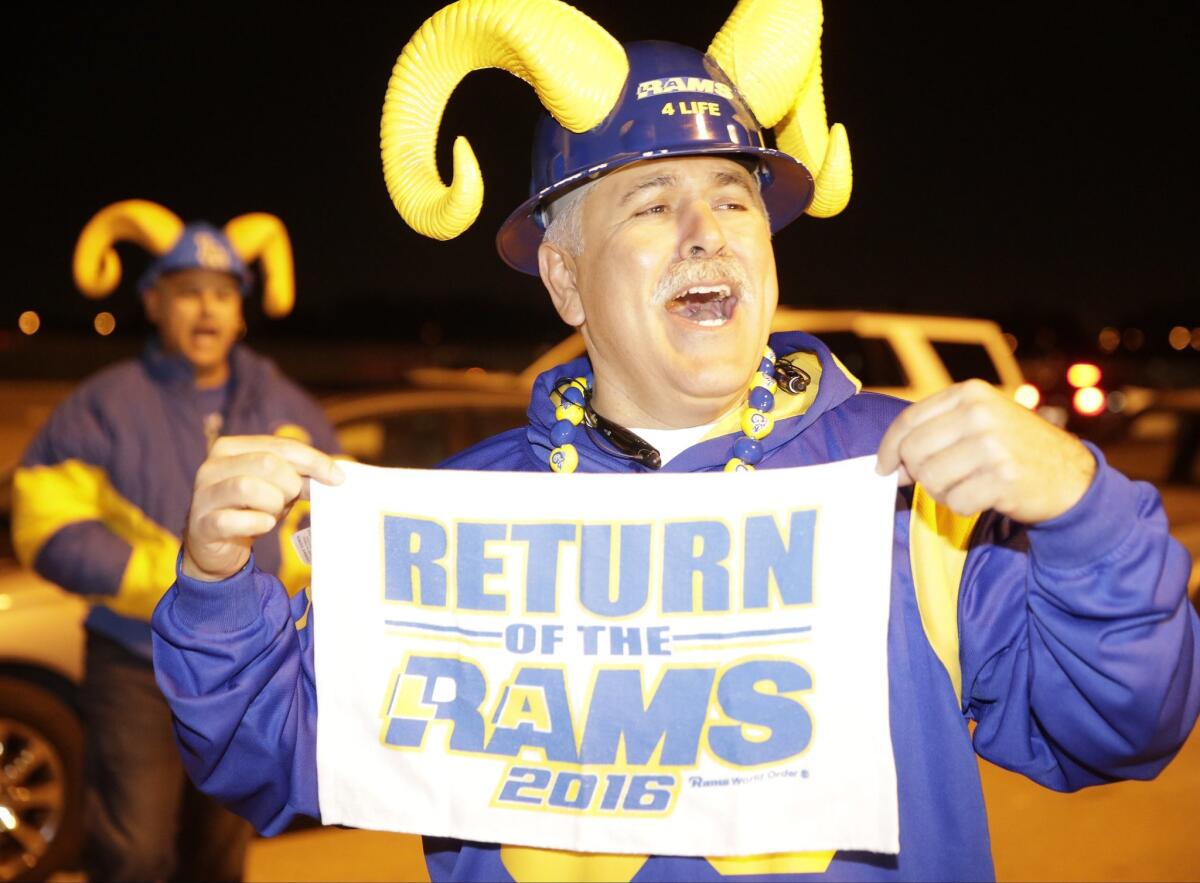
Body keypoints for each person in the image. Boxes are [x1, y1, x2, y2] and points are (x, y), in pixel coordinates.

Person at [150, 2, 1200, 881]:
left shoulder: (910, 488)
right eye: (652, 204)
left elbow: (1119, 730)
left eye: (735, 198)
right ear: (565, 279)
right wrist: (217, 584)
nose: (708, 231)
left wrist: (1088, 514)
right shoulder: (467, 518)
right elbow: (270, 758)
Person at [12, 200, 339, 882]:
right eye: (188, 293)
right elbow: (42, 521)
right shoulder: (104, 404)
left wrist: (260, 596)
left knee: (219, 856)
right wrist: (183, 579)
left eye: (222, 293)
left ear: (241, 311)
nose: (207, 310)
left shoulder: (287, 408)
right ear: (154, 302)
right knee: (133, 854)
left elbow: (331, 524)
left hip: (245, 666)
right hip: (134, 668)